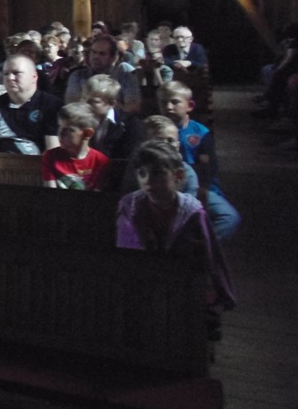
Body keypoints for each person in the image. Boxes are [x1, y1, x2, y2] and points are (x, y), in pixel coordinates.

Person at [115, 139, 236, 336]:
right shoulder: (131, 207)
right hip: (143, 278)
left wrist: (214, 293)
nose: (148, 181)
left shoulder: (193, 213)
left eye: (157, 173)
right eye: (142, 173)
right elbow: (125, 247)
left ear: (178, 176)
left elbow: (209, 255)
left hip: (181, 282)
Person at [158, 81, 241, 241]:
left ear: (189, 106)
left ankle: (202, 245)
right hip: (163, 184)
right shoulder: (155, 130)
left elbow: (208, 168)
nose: (168, 107)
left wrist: (201, 189)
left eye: (175, 102)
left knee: (229, 217)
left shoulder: (201, 133)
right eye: (163, 102)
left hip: (199, 186)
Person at [0, 54, 61, 155]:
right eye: (6, 74)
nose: (10, 78)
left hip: (37, 163)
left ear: (34, 77)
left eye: (16, 73)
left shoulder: (51, 105)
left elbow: (52, 149)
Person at [63, 33, 141, 113]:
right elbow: (71, 105)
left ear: (114, 57)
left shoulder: (126, 77)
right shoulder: (78, 76)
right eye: (93, 52)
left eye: (102, 54)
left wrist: (104, 105)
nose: (96, 57)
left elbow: (133, 106)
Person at [41, 102, 110, 190]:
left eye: (69, 130)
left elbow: (96, 194)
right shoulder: (51, 156)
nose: (61, 133)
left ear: (87, 133)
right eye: (60, 126)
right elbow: (50, 192)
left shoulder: (100, 161)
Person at [83, 74, 143, 162]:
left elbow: (130, 159)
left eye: (94, 102)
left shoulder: (129, 124)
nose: (87, 105)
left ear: (112, 104)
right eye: (85, 100)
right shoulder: (80, 122)